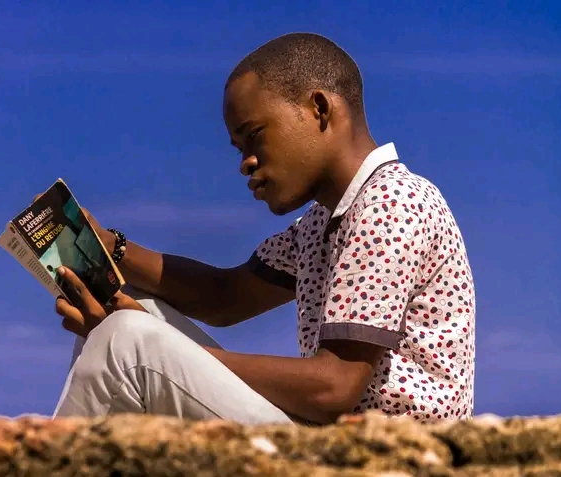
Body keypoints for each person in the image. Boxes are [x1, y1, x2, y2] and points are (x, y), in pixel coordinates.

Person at [50, 32, 476, 425]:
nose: (245, 163)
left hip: (387, 453)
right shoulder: (320, 223)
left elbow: (334, 386)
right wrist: (112, 248)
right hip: (328, 435)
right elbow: (224, 296)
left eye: (254, 135)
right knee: (130, 319)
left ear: (319, 109)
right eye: (239, 148)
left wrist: (170, 354)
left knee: (127, 338)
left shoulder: (392, 201)